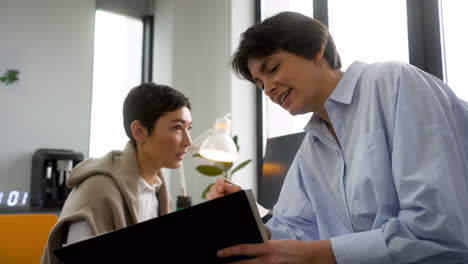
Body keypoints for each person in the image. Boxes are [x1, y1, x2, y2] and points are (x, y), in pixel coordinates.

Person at [206, 11, 468, 264]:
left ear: (316, 49)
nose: (269, 89)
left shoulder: (392, 82)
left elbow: (439, 230)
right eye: (260, 84)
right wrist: (246, 217)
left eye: (273, 68)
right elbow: (295, 232)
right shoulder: (312, 147)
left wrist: (314, 256)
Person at [41, 83, 193, 264]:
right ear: (139, 131)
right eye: (177, 127)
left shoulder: (160, 194)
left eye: (188, 128)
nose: (188, 141)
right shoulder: (97, 192)